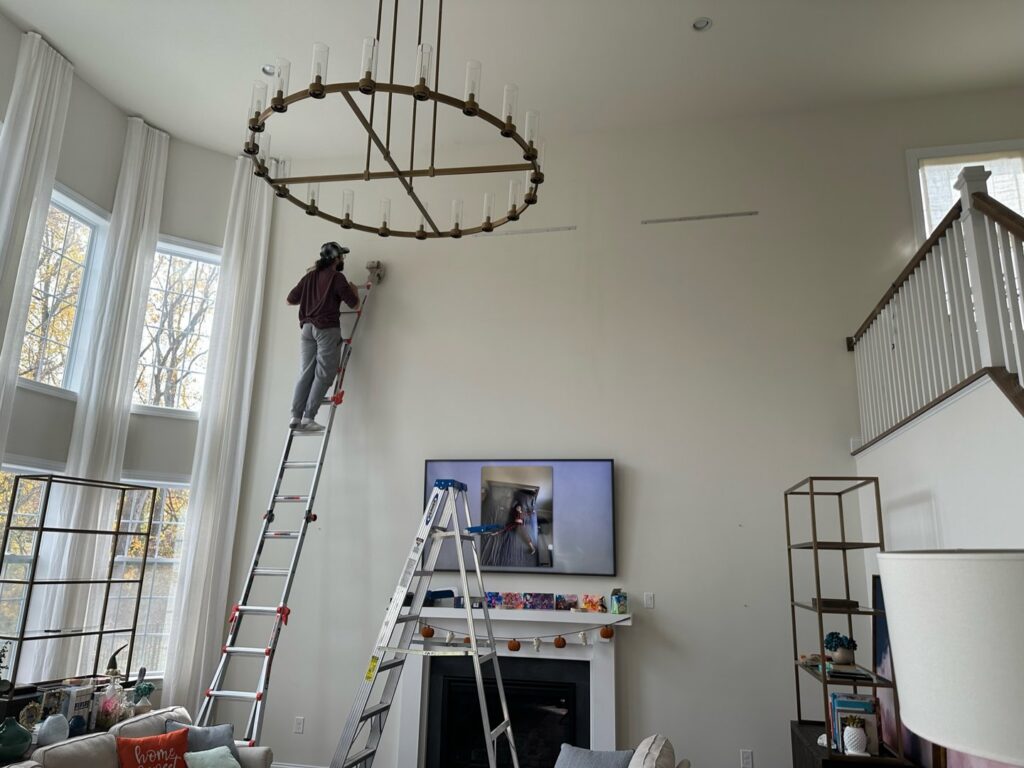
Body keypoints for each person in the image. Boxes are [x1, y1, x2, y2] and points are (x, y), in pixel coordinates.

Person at [286, 242, 360, 431]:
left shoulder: (309, 277)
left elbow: (290, 300)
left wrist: (312, 298)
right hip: (326, 329)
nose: (343, 259)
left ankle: (295, 416)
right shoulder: (337, 277)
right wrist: (354, 291)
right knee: (324, 373)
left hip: (307, 329)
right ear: (336, 259)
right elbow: (354, 304)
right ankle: (308, 418)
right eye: (342, 256)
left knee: (306, 372)